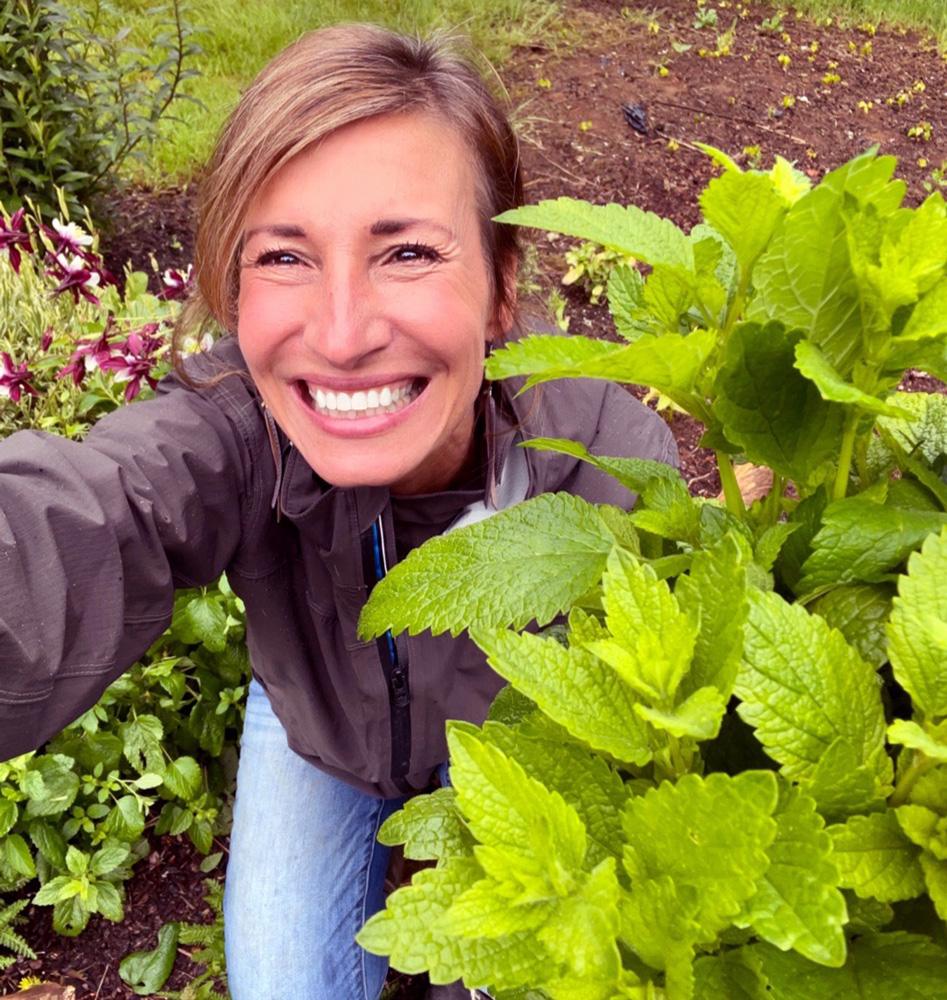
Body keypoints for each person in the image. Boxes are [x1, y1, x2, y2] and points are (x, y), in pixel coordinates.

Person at [0, 23, 678, 1000]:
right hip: (320, 715)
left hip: (511, 743)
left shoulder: (595, 459)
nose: (343, 332)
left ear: (502, 290)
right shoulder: (231, 431)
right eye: (283, 257)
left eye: (405, 250)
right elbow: (73, 532)